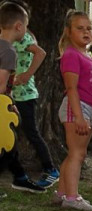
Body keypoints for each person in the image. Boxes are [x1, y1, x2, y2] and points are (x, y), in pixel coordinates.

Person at [55, 9, 92, 211]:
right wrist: (78, 117)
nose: (86, 32)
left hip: (87, 109)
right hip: (75, 109)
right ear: (69, 31)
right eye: (80, 28)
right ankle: (72, 197)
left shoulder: (87, 55)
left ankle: (61, 192)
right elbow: (72, 88)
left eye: (89, 28)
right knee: (77, 154)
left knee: (75, 153)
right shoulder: (70, 55)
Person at [0, 2, 50, 194]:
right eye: (26, 26)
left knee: (9, 145)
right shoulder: (9, 51)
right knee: (7, 145)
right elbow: (2, 85)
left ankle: (20, 177)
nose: (26, 31)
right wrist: (10, 104)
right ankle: (20, 178)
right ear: (19, 26)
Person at [12, 20, 58, 185]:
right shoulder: (6, 38)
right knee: (9, 136)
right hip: (12, 95)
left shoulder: (23, 38)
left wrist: (27, 74)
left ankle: (51, 169)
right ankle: (18, 175)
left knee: (31, 133)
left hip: (25, 96)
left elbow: (41, 53)